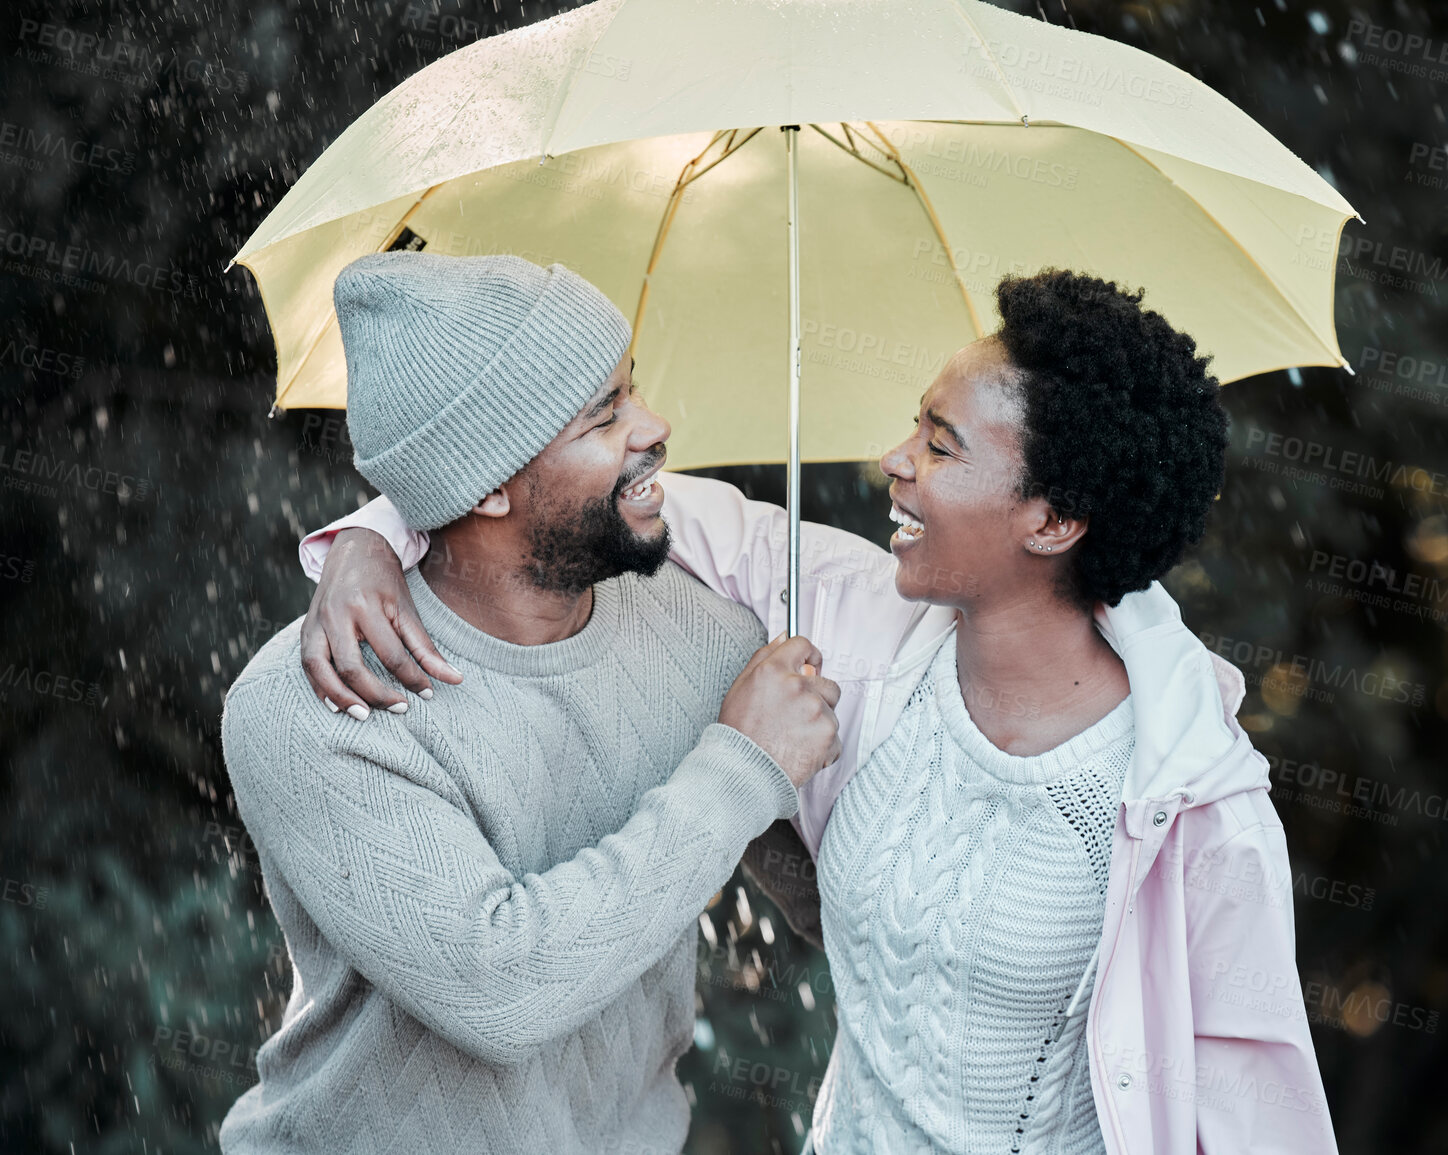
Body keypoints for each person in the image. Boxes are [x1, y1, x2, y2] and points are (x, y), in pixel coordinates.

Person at [300, 270, 1339, 1154]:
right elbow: (557, 489)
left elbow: (1258, 1114)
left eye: (940, 444)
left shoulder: (1193, 802)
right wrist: (371, 536)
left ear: (1056, 520)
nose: (894, 460)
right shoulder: (849, 621)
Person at [219, 251, 841, 1154]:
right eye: (607, 415)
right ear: (489, 485)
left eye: (634, 391)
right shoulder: (316, 706)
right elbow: (502, 989)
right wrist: (741, 765)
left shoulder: (705, 634)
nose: (657, 427)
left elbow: (836, 903)